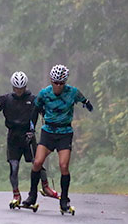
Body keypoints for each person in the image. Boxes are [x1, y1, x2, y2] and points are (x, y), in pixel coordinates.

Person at [22, 64, 93, 211]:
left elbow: (83, 99)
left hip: (65, 133)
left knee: (64, 166)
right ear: (51, 80)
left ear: (65, 82)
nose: (58, 86)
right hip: (48, 132)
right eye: (55, 82)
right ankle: (32, 195)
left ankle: (64, 199)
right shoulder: (44, 93)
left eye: (61, 83)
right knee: (37, 162)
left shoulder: (72, 92)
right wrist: (30, 130)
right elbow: (34, 111)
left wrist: (87, 104)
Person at [0, 71, 58, 205]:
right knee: (14, 167)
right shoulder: (6, 99)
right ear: (13, 87)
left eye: (22, 88)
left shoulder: (33, 99)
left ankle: (45, 186)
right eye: (16, 88)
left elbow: (45, 113)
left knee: (37, 163)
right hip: (13, 137)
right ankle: (16, 195)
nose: (19, 91)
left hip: (28, 136)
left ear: (25, 87)